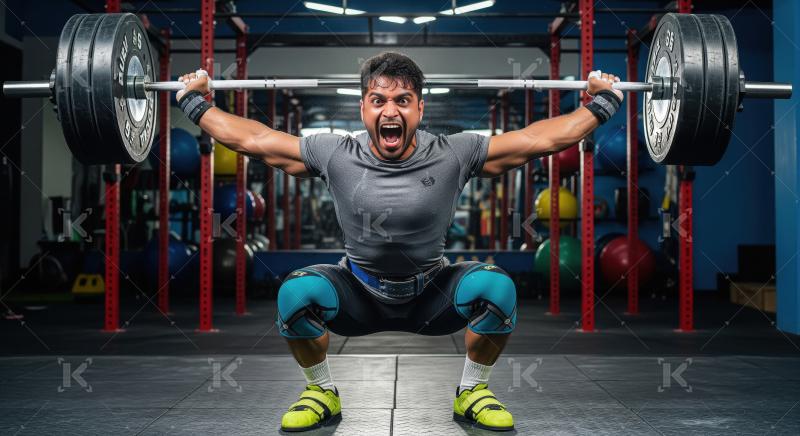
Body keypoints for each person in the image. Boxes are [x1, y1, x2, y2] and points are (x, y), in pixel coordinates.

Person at [176, 52, 622, 432]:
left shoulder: (455, 152)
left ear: (420, 109)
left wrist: (601, 103)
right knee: (295, 290)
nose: (391, 112)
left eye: (403, 101)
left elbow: (537, 140)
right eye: (379, 101)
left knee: (498, 287)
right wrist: (195, 102)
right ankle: (320, 392)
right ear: (364, 109)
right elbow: (254, 139)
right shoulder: (335, 152)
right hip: (359, 295)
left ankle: (471, 391)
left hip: (432, 294)